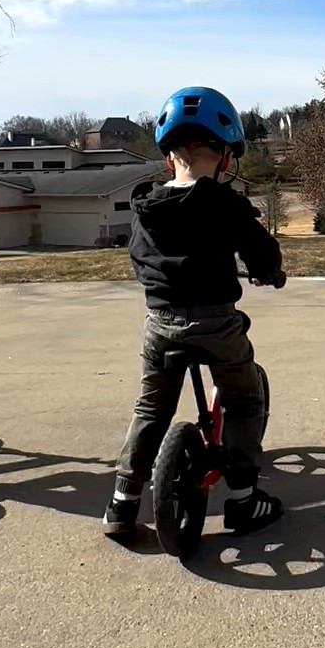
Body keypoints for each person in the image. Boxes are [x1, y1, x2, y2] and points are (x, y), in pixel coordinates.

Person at [104, 86, 285, 542]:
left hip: (161, 326)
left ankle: (122, 503)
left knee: (151, 407)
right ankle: (243, 498)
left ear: (169, 159)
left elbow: (139, 260)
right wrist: (270, 273)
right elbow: (262, 253)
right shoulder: (227, 204)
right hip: (216, 324)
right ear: (225, 157)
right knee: (244, 400)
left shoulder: (146, 207)